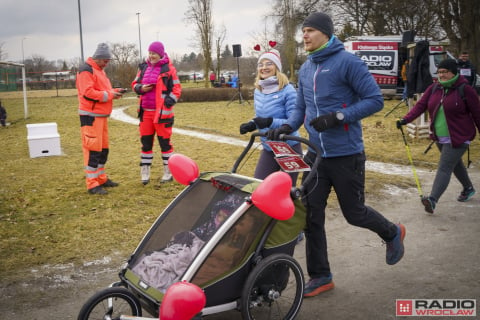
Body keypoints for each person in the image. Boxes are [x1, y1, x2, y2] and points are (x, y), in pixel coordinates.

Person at [266, 12, 406, 297]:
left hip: (346, 154)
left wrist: (339, 116)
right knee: (311, 216)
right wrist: (287, 126)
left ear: (326, 34)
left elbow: (375, 100)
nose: (304, 36)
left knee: (354, 213)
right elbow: (301, 108)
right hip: (315, 156)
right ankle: (321, 275)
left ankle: (391, 232)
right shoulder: (306, 68)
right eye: (303, 31)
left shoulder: (348, 63)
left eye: (310, 31)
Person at [397, 58, 480, 214]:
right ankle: (468, 188)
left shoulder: (465, 89)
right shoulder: (434, 88)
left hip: (460, 136)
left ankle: (432, 199)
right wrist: (405, 119)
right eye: (439, 72)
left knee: (444, 167)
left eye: (445, 72)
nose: (441, 75)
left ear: (453, 72)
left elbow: (477, 113)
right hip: (440, 136)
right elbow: (421, 106)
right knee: (455, 164)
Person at [239, 48, 302, 185]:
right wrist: (252, 124)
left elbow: (293, 121)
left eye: (269, 64)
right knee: (259, 186)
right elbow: (260, 117)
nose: (264, 67)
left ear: (277, 68)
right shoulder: (259, 90)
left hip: (289, 147)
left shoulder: (287, 90)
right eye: (261, 64)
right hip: (269, 147)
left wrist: (269, 121)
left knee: (287, 191)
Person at [77, 43, 125, 195]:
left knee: (103, 149)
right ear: (98, 58)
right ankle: (92, 184)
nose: (107, 63)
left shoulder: (99, 71)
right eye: (105, 60)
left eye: (108, 60)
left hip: (101, 116)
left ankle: (101, 178)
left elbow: (102, 91)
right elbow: (88, 93)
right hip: (90, 117)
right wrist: (111, 94)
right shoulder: (86, 70)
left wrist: (114, 92)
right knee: (93, 150)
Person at [132, 41, 182, 185]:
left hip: (162, 114)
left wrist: (168, 102)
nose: (151, 56)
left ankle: (168, 171)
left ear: (160, 54)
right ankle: (145, 170)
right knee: (146, 144)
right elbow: (134, 84)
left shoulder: (169, 69)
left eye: (153, 53)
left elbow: (177, 89)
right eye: (150, 53)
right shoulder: (143, 67)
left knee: (165, 144)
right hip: (145, 113)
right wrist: (141, 88)